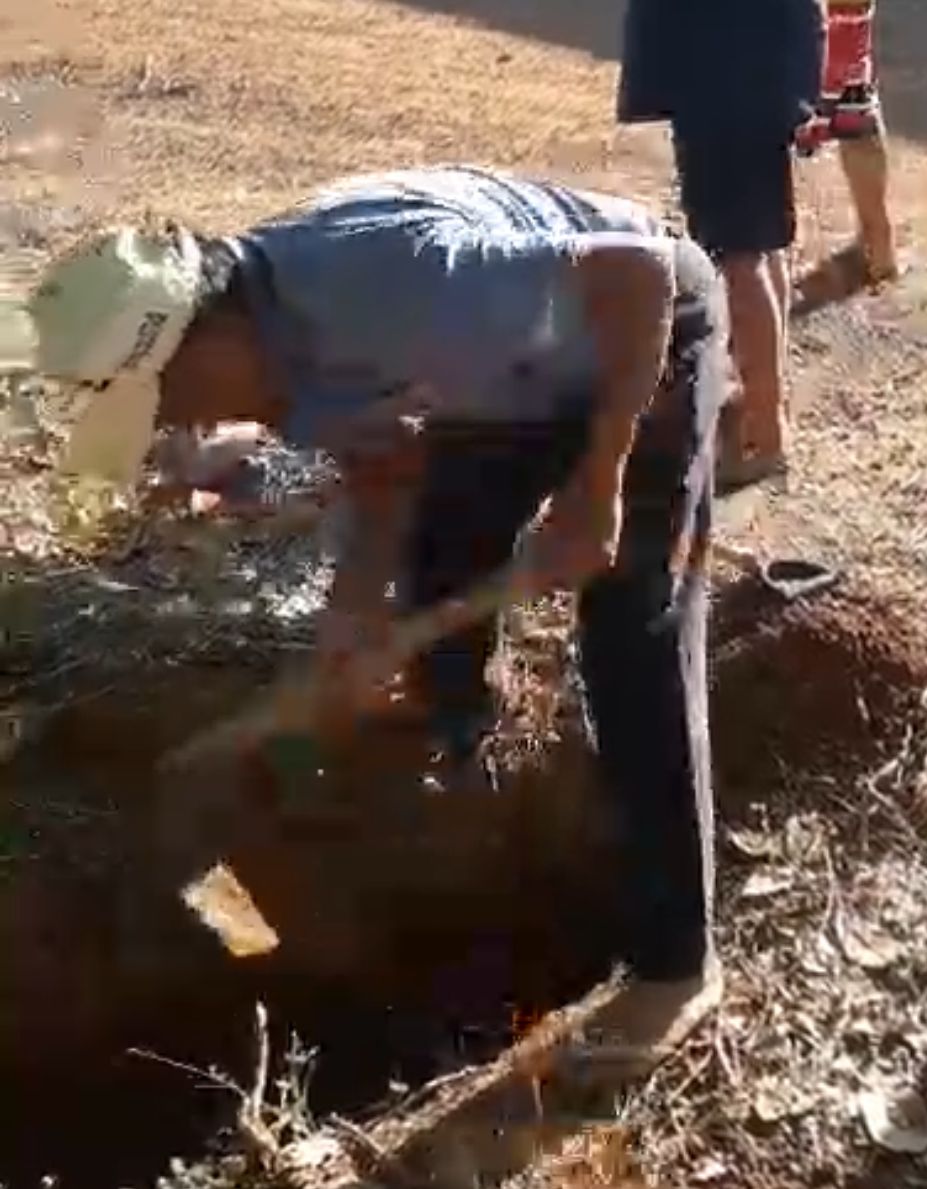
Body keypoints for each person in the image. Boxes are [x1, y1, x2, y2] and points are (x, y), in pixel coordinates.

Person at [24, 165, 728, 1073]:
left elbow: (638, 276)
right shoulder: (274, 353)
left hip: (640, 334)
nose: (178, 425)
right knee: (441, 564)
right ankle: (455, 775)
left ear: (203, 335)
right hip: (513, 368)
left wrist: (596, 488)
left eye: (167, 400)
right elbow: (387, 460)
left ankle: (678, 965)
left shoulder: (390, 287)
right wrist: (355, 609)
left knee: (633, 628)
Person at [618, 0, 826, 490]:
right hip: (763, 85)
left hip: (718, 89)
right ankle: (768, 404)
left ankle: (766, 433)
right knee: (763, 247)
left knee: (739, 259)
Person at [795, 0, 897, 288]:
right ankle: (878, 245)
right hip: (843, 71)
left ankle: (765, 261)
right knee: (859, 128)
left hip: (791, 64)